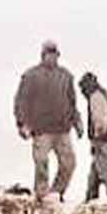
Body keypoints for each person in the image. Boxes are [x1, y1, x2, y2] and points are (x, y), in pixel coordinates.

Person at [14, 40, 82, 202]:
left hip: (62, 130)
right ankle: (42, 196)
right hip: (41, 129)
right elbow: (21, 101)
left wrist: (77, 122)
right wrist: (22, 124)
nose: (52, 57)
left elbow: (72, 102)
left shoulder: (66, 76)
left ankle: (56, 193)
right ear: (43, 55)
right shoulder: (31, 76)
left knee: (69, 163)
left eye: (54, 54)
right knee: (41, 163)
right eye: (48, 54)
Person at [79, 72, 107, 204]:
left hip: (103, 141)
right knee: (95, 175)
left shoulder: (95, 96)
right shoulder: (102, 94)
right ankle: (89, 201)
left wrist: (97, 139)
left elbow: (100, 120)